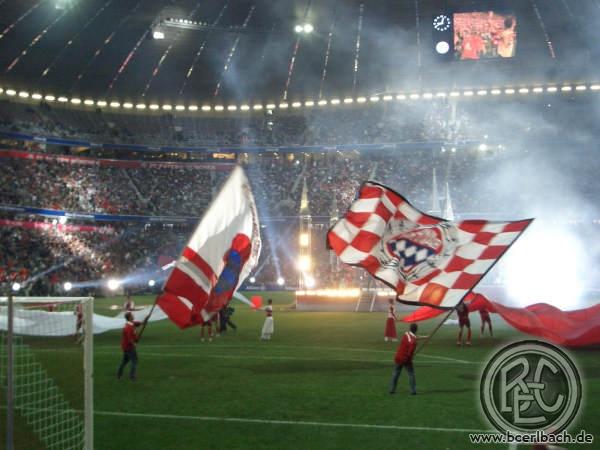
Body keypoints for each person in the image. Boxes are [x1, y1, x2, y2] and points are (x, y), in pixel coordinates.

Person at [389, 323, 427, 395]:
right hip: (405, 359)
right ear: (416, 330)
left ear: (410, 328)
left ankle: (392, 389)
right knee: (411, 374)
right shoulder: (413, 342)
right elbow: (410, 353)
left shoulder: (406, 334)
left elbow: (414, 337)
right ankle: (413, 391)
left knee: (396, 373)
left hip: (398, 357)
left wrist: (424, 337)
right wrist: (411, 357)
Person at [117, 312, 144, 381]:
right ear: (129, 318)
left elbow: (140, 323)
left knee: (125, 361)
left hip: (126, 347)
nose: (133, 316)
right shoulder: (128, 327)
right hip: (129, 347)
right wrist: (134, 344)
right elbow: (129, 339)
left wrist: (146, 318)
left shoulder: (132, 323)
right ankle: (132, 376)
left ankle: (119, 374)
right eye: (132, 315)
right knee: (134, 361)